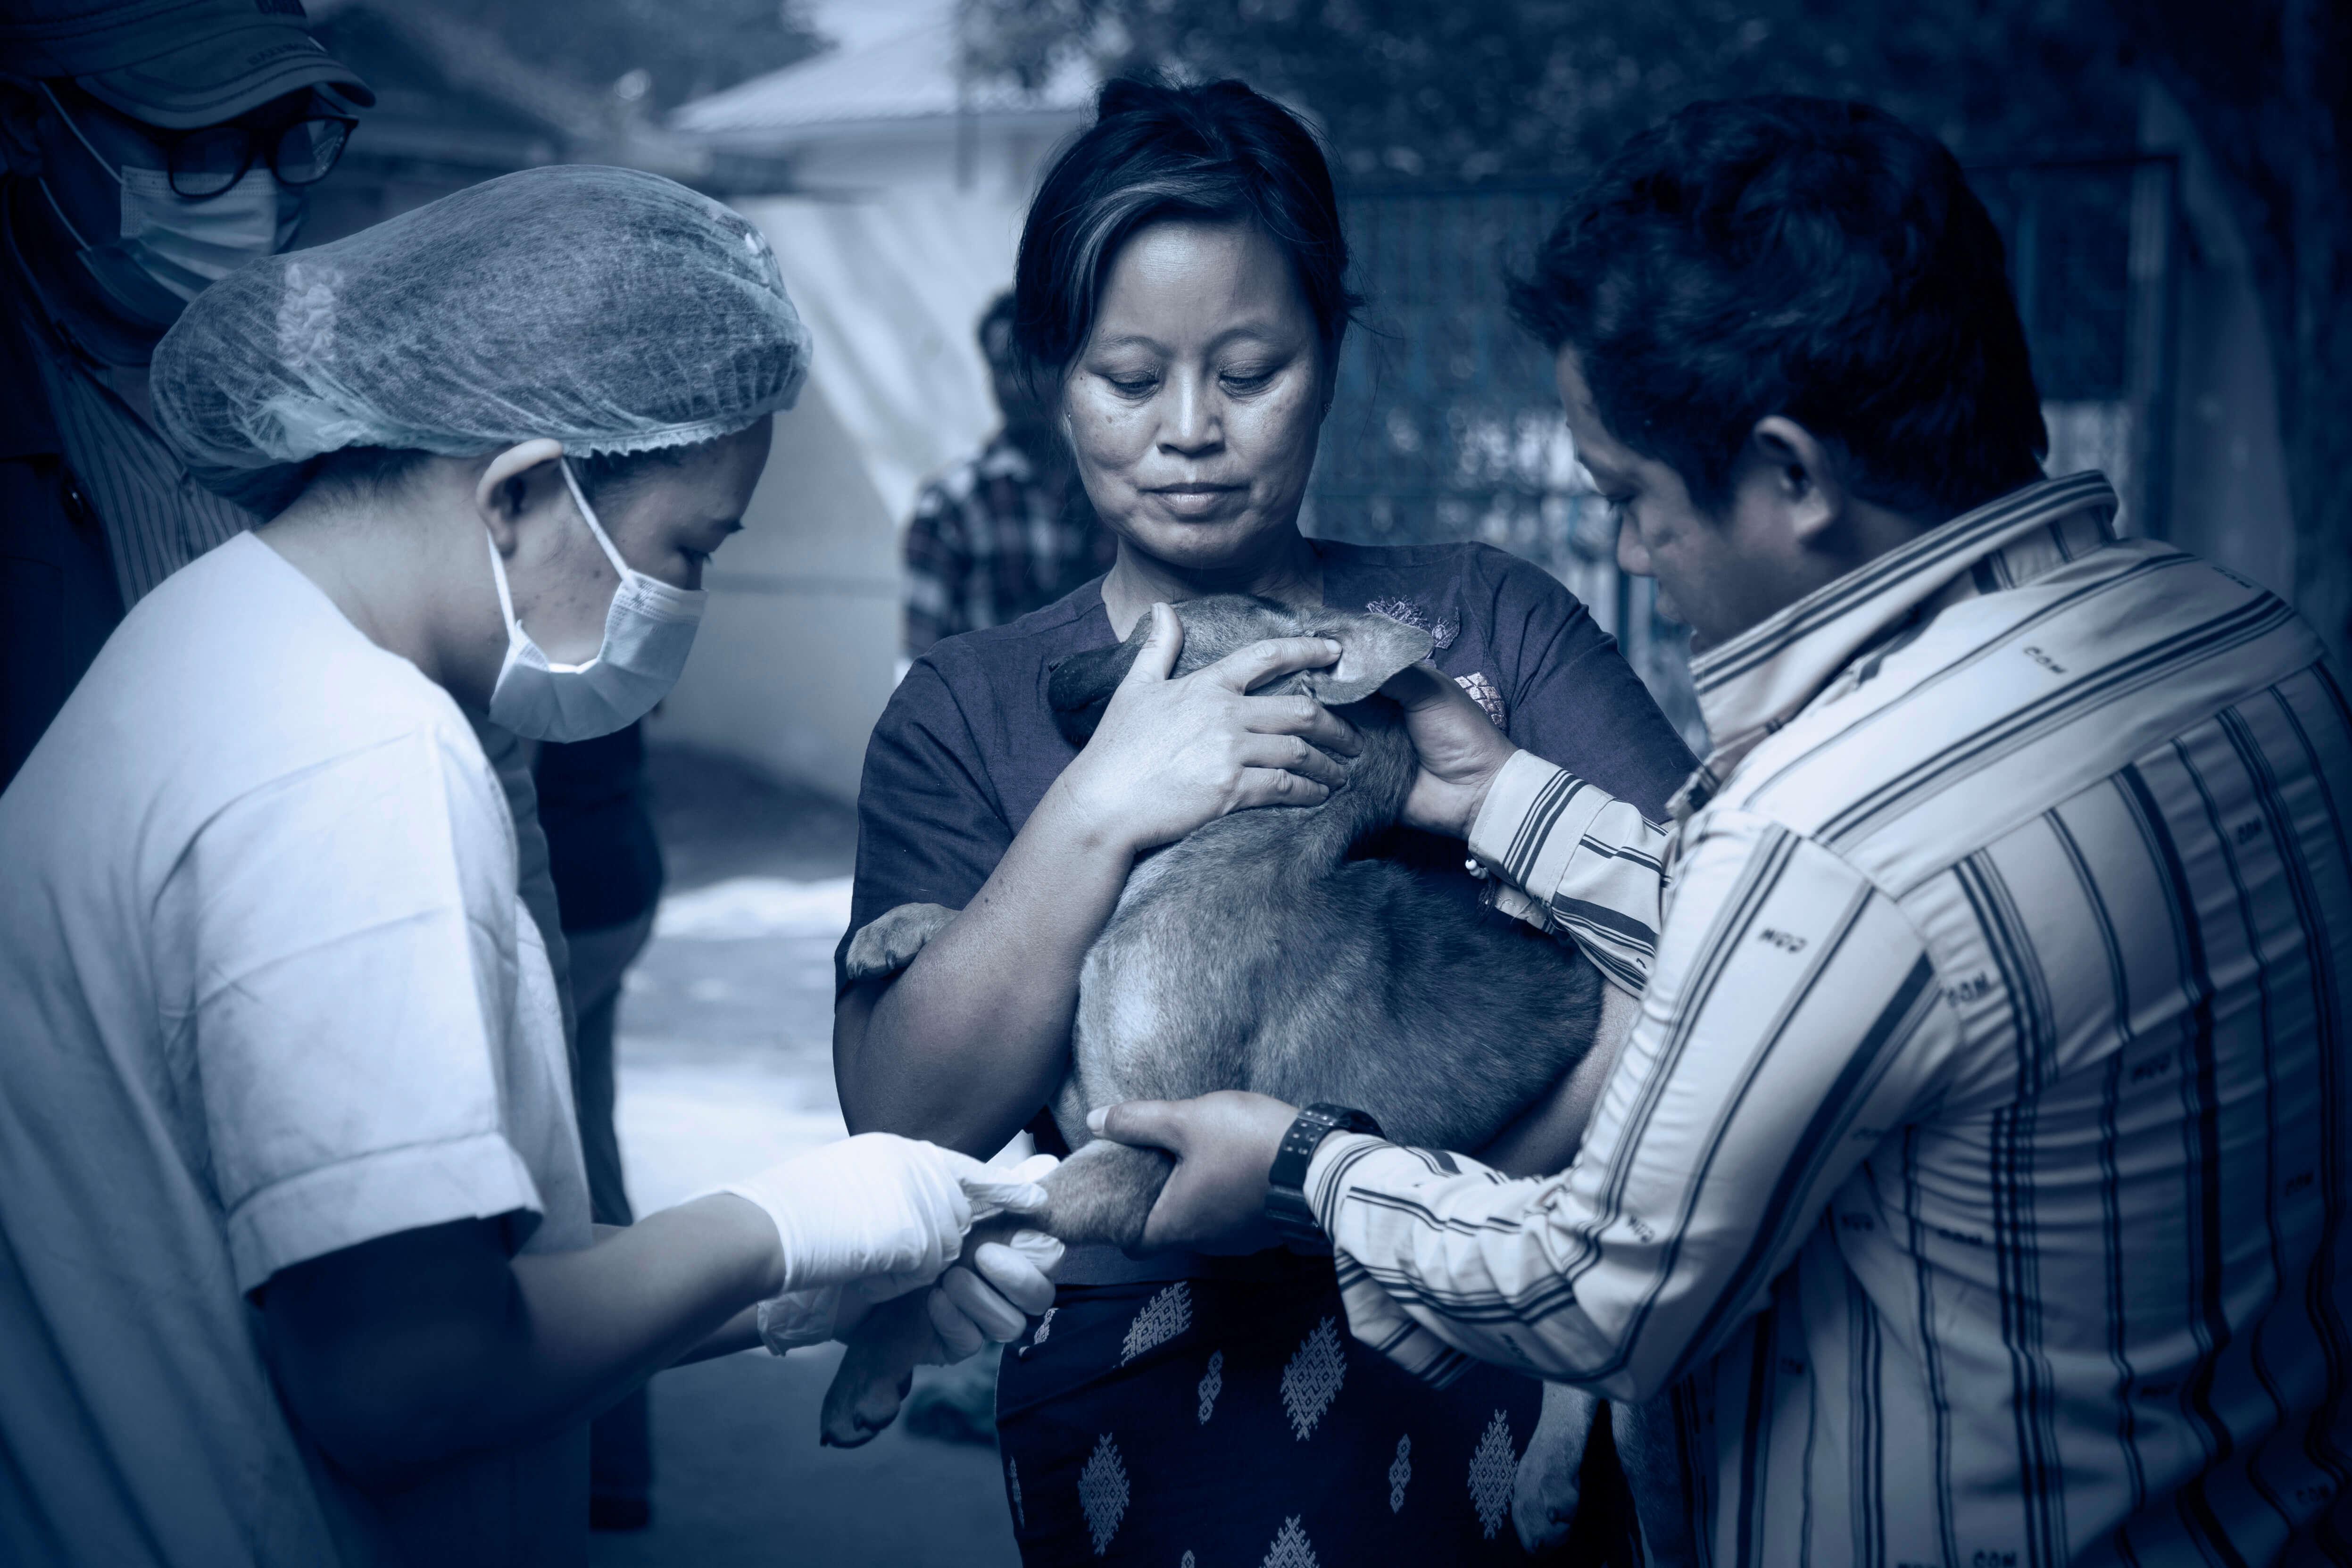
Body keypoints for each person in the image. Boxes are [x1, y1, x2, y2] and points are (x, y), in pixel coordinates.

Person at [1093, 96, 2352, 1560]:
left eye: (1630, 499)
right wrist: (1497, 793)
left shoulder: (1836, 823)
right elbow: (1836, 967)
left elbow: (1599, 1291)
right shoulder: (2258, 649)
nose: (1630, 550)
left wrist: (1308, 1165)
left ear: (1792, 476)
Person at [0, 164, 1058, 1568]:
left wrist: (814, 1276)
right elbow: (411, 1374)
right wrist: (777, 1223)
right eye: (690, 547)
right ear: (518, 496)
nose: (688, 600)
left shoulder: (216, 645)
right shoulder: (350, 757)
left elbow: (438, 1275)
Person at [832, 77, 1695, 1565]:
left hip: (1507, 1358)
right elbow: (905, 1123)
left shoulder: (1482, 628)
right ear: (1053, 377)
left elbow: (1719, 975)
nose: (1191, 432)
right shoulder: (970, 708)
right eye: (1127, 378)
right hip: (1152, 1422)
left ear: (1329, 360)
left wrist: (1348, 1188)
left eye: (1249, 370)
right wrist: (1100, 805)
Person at [533, 722, 666, 1528]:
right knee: (586, 1156)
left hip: (571, 894)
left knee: (551, 1180)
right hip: (617, 874)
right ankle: (613, 1471)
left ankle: (599, 1465)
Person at [903, 289, 1117, 657]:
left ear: (1063, 367)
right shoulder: (953, 503)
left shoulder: (1109, 486)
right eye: (1004, 367)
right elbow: (918, 655)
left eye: (1034, 362)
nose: (1022, 382)